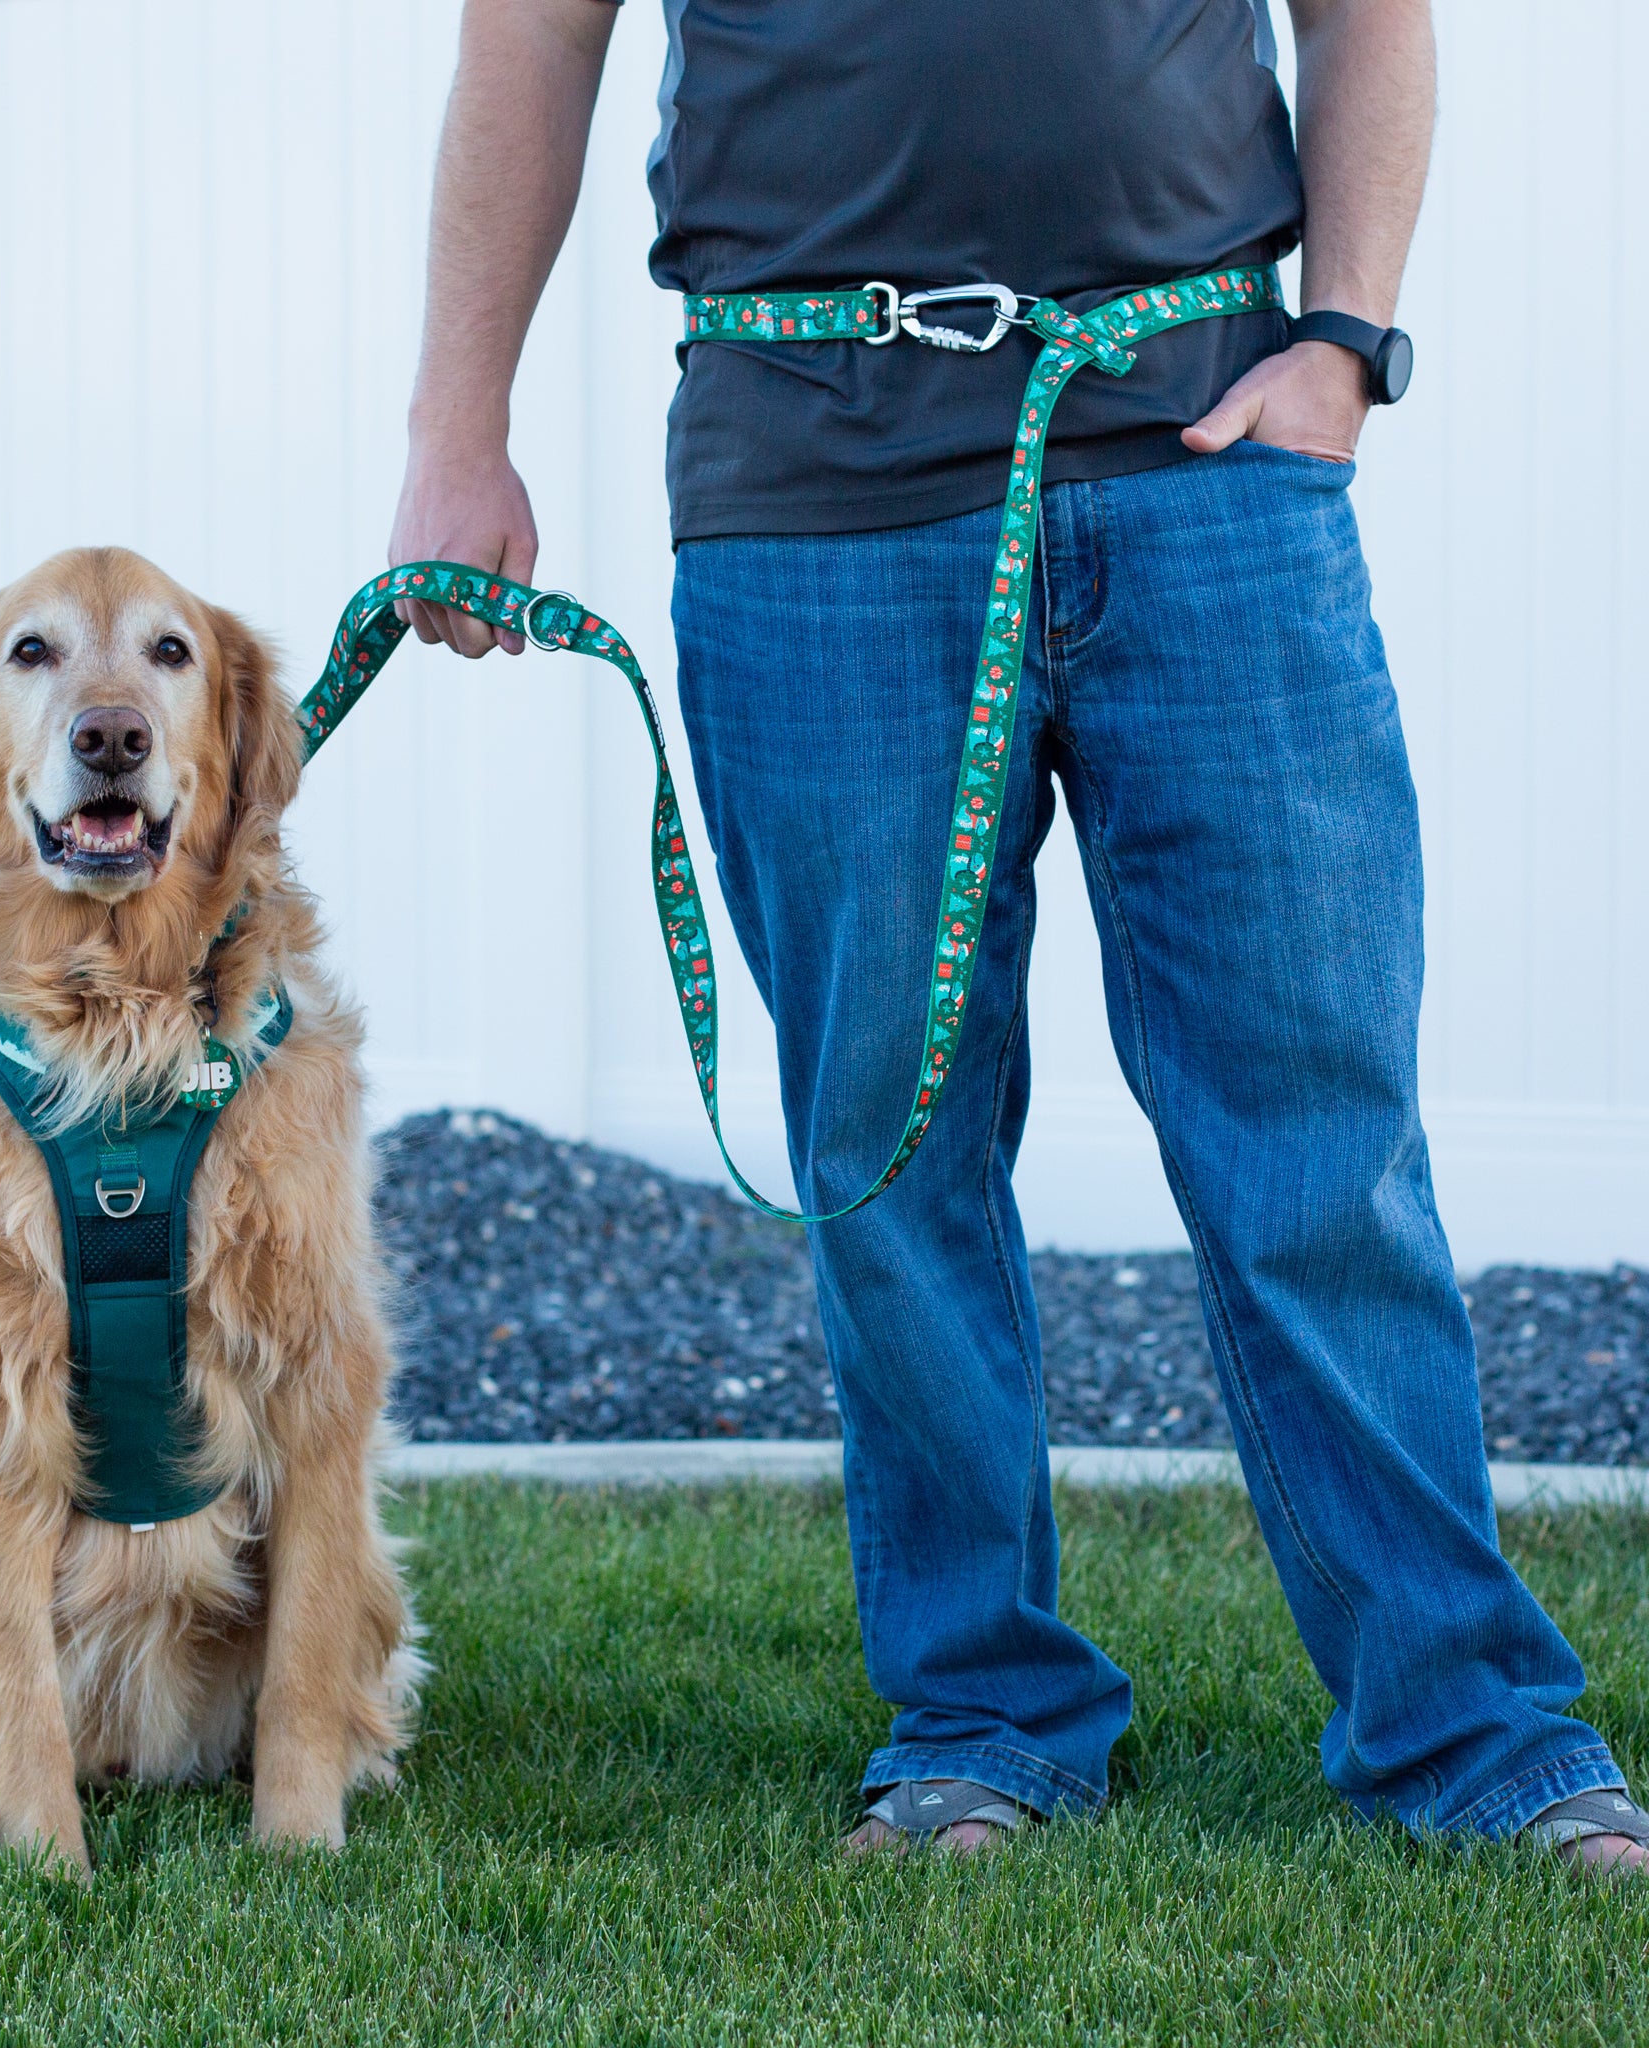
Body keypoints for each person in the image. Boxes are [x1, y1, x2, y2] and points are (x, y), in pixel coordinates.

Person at [387, 0, 1649, 1869]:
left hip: (1207, 460)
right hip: (811, 498)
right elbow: (530, 36)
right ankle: (989, 1716)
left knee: (1320, 1139)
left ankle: (1473, 1730)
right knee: (886, 1158)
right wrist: (455, 433)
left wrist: (1350, 342)